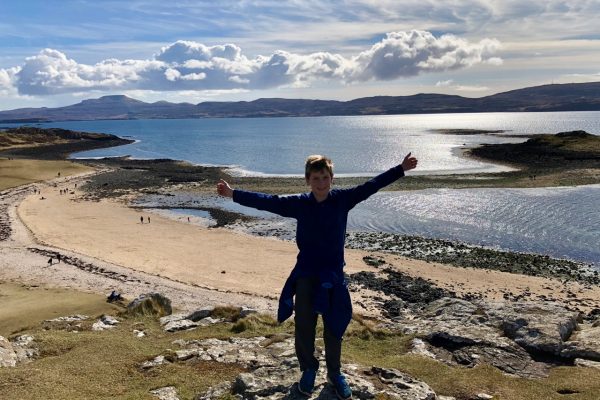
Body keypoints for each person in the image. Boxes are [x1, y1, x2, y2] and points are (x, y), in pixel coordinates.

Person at [217, 153, 418, 399]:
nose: (321, 183)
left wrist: (401, 169)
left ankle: (334, 374)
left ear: (331, 179)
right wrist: (232, 193)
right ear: (308, 180)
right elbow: (269, 201)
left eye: (325, 178)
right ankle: (308, 369)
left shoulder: (343, 200)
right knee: (304, 327)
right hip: (305, 275)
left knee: (334, 328)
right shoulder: (300, 203)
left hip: (333, 277)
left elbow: (372, 185)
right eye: (316, 178)